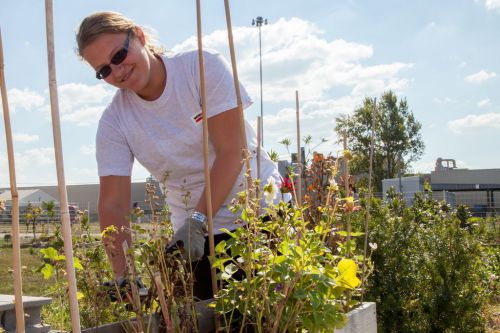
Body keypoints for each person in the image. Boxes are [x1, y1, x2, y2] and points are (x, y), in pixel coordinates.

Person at [76, 11, 287, 300]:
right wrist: (124, 275)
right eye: (104, 70)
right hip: (190, 239)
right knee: (191, 319)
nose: (117, 71)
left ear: (138, 35)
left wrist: (199, 220)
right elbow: (113, 204)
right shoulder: (115, 122)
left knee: (261, 318)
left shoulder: (199, 69)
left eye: (119, 55)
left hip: (258, 215)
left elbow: (231, 151)